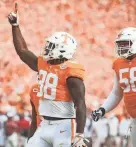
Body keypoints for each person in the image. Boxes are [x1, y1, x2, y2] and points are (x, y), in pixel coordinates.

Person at [8, 3, 89, 147]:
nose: (47, 48)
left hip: (64, 126)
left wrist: (80, 134)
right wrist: (15, 25)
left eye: (52, 46)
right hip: (44, 124)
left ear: (64, 50)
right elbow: (22, 52)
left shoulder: (71, 72)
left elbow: (81, 104)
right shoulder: (45, 65)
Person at [91, 27, 136, 147]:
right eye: (120, 44)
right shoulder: (119, 64)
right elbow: (117, 93)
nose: (122, 47)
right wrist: (103, 109)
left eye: (126, 43)